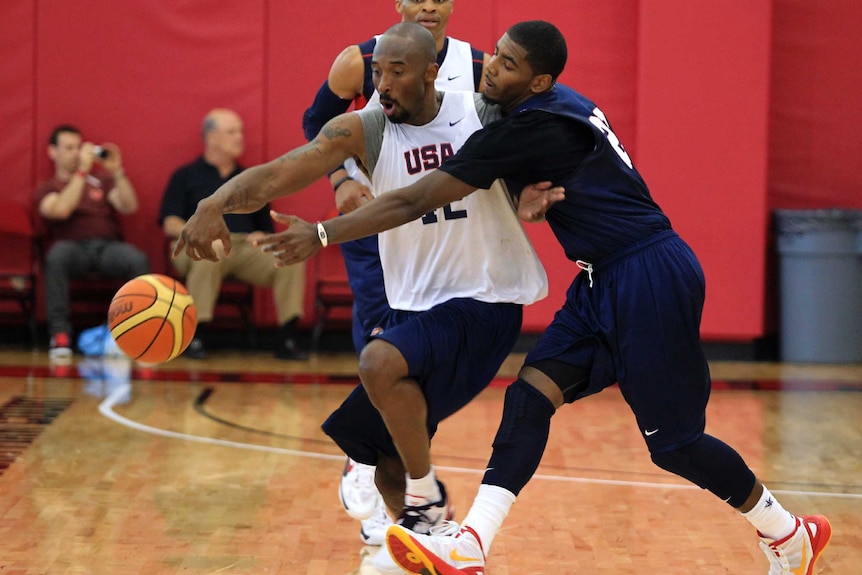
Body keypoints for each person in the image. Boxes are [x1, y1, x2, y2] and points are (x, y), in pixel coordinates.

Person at [252, 20, 833, 575]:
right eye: (494, 54)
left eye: (506, 64)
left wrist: (322, 232)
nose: (489, 69)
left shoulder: (533, 126)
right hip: (599, 279)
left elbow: (415, 199)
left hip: (648, 274)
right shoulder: (548, 108)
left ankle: (787, 534)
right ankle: (470, 545)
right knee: (529, 398)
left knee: (675, 443)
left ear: (538, 82)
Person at [174, 23, 548, 573]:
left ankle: (426, 505)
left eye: (397, 72)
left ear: (428, 72)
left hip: (485, 298)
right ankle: (441, 546)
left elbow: (544, 143)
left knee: (377, 360)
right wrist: (214, 202)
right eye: (377, 73)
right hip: (418, 307)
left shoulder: (478, 112)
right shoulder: (366, 128)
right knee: (379, 462)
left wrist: (537, 192)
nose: (384, 84)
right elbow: (279, 173)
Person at [301, 0, 490, 547]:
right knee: (386, 334)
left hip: (444, 231)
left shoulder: (478, 70)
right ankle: (379, 468)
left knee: (425, 359)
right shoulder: (359, 63)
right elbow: (317, 125)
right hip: (376, 219)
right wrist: (340, 178)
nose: (428, 3)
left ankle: (394, 468)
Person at [159, 108, 308, 360]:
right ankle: (195, 336)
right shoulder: (186, 176)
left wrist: (259, 236)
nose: (240, 137)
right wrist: (199, 232)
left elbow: (265, 227)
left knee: (290, 258)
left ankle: (288, 337)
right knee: (209, 254)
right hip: (195, 245)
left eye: (240, 131)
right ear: (212, 137)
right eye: (231, 132)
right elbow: (169, 221)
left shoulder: (249, 179)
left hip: (242, 248)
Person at [35, 124, 150, 359]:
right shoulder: (48, 187)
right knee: (56, 257)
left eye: (79, 147)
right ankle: (60, 335)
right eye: (69, 148)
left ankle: (135, 332)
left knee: (137, 260)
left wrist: (117, 172)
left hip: (107, 247)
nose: (76, 153)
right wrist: (81, 174)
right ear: (53, 152)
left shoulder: (101, 181)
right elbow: (61, 210)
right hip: (72, 248)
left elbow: (129, 206)